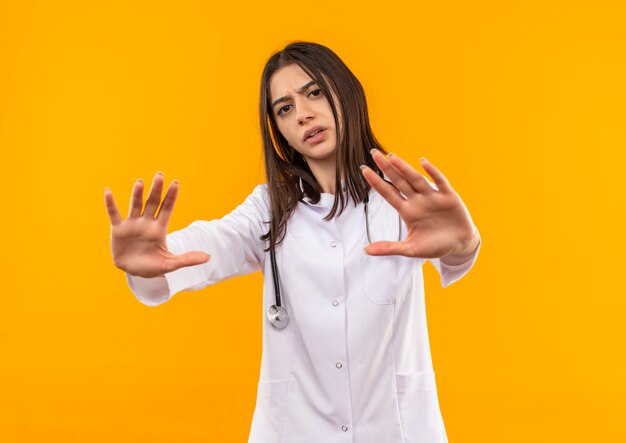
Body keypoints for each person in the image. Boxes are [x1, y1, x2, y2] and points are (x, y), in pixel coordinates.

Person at [104, 41, 481, 443]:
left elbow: (455, 257)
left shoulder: (404, 201)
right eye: (284, 108)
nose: (303, 114)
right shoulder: (269, 208)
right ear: (279, 128)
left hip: (398, 429)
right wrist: (149, 262)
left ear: (347, 93)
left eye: (314, 92)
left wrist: (463, 241)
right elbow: (204, 246)